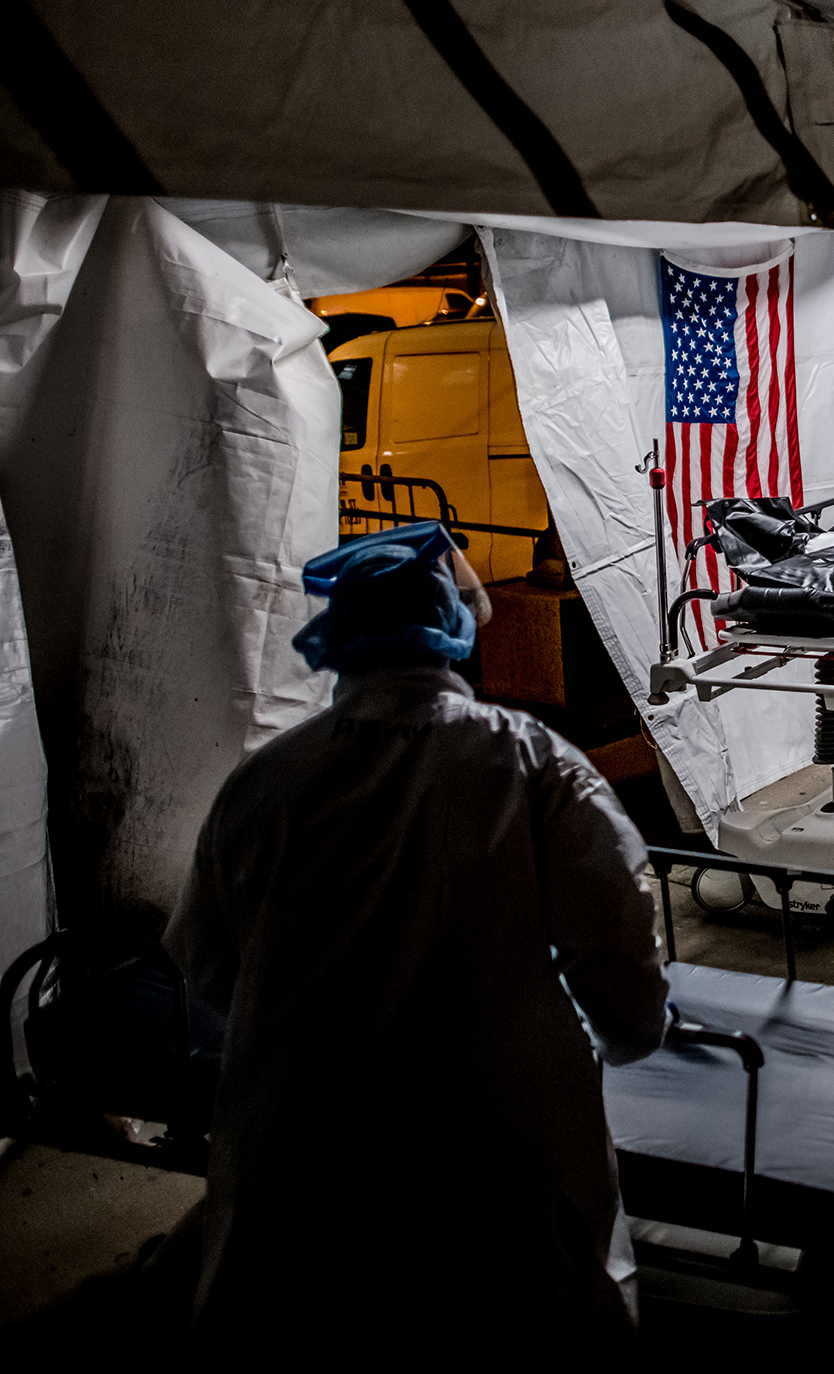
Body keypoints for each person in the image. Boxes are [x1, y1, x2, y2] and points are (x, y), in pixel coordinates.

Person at [165, 521, 669, 1358]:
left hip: (303, 1141)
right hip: (496, 1143)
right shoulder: (534, 767)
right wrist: (629, 1037)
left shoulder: (264, 781)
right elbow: (618, 949)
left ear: (339, 641)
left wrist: (320, 1023)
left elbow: (210, 965)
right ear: (453, 632)